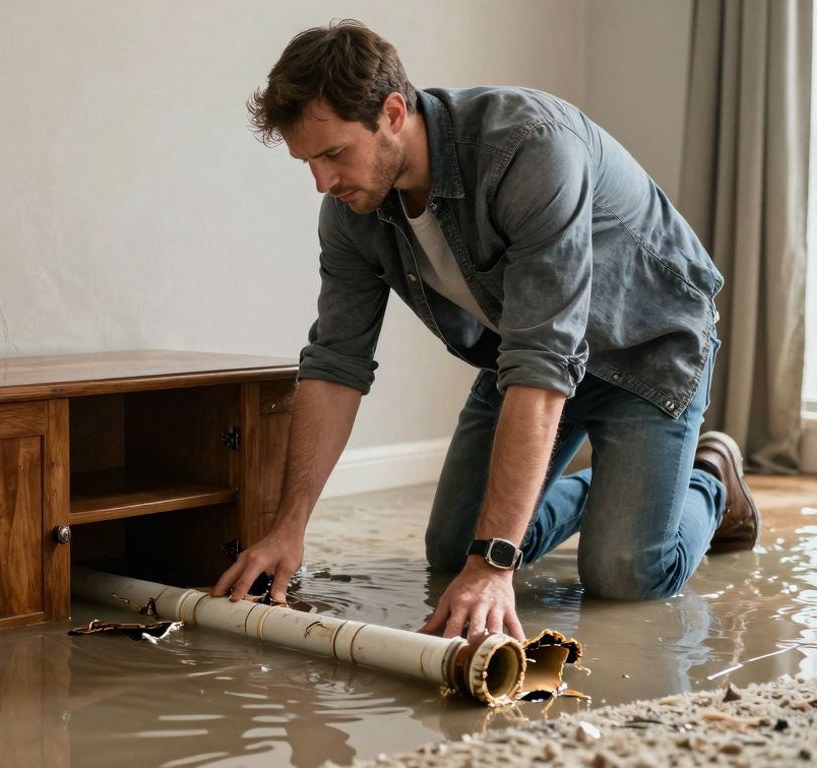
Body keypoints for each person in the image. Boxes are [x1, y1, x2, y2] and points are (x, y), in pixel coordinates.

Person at [213, 20, 761, 643]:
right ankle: (609, 496)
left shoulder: (529, 149)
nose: (322, 182)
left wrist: (494, 564)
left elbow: (544, 357)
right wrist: (291, 525)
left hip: (647, 350)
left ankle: (707, 480)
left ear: (393, 113)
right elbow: (336, 362)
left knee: (624, 572)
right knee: (453, 549)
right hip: (532, 356)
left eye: (334, 153)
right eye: (307, 161)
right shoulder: (351, 212)